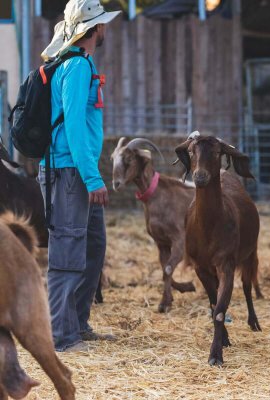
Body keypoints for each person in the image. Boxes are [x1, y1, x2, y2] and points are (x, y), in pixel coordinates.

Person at [38, 0, 121, 352]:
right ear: (95, 29)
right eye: (104, 24)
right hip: (69, 173)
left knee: (92, 247)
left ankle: (78, 323)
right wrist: (92, 178)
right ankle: (62, 336)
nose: (107, 29)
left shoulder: (80, 63)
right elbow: (73, 125)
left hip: (76, 171)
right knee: (68, 253)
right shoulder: (76, 67)